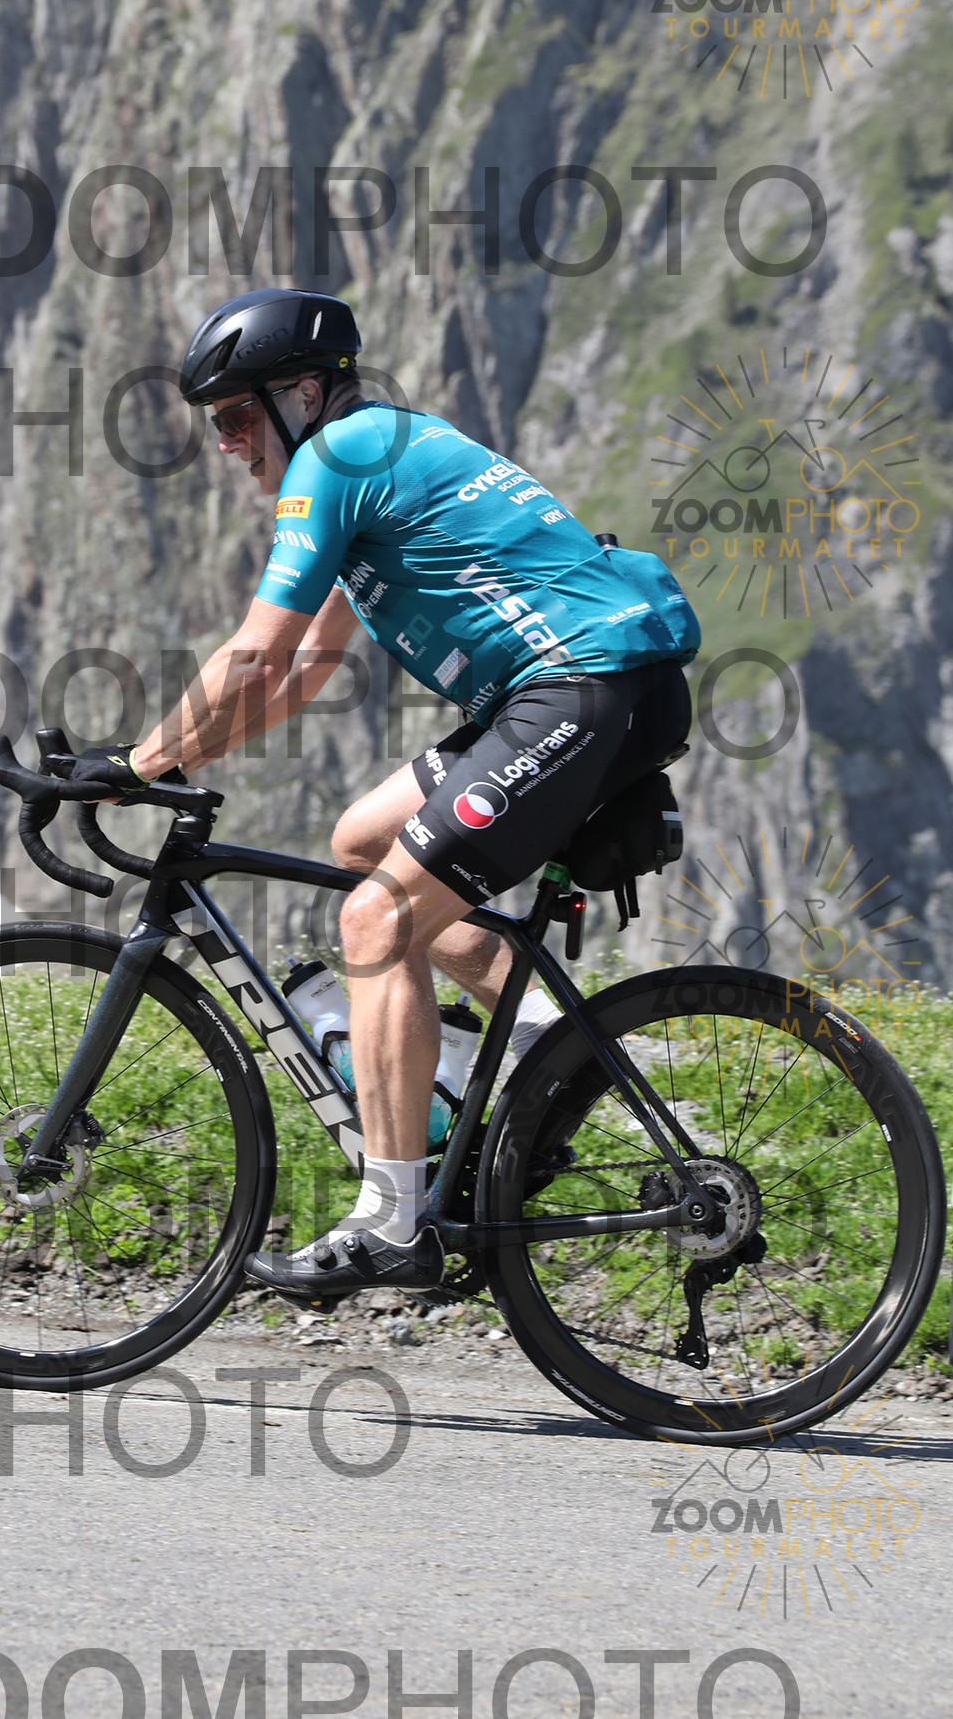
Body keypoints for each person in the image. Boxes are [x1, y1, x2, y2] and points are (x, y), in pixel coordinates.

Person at [66, 287, 699, 1296]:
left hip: (576, 689)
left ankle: (393, 1223)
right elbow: (300, 673)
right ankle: (542, 1040)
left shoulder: (336, 460)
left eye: (235, 416)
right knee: (363, 839)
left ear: (301, 394)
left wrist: (138, 764)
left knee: (374, 924)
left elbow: (256, 653)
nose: (225, 442)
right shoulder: (372, 450)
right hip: (571, 691)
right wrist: (172, 759)